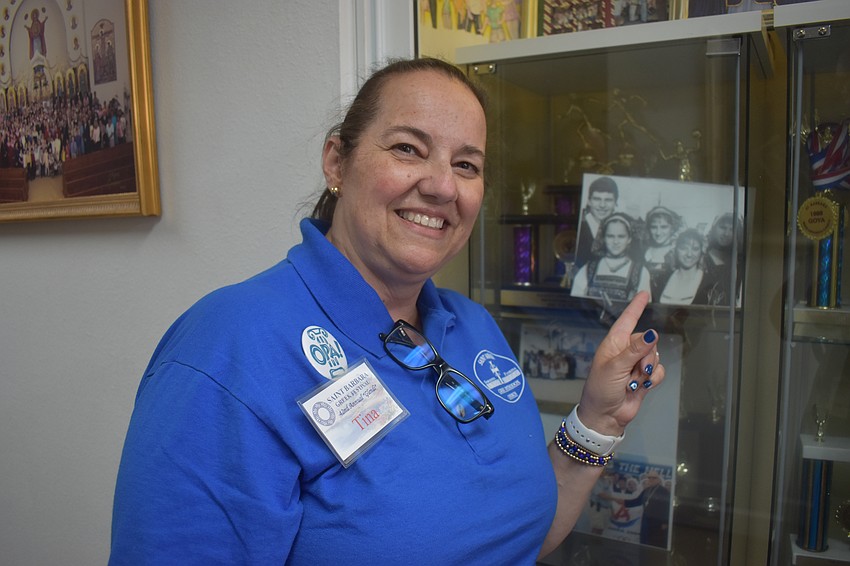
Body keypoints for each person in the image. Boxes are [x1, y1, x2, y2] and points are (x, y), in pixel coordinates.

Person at [109, 58, 664, 564]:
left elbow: (519, 538)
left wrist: (597, 420)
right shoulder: (226, 350)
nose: (443, 186)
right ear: (337, 161)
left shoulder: (472, 328)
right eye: (408, 149)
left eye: (467, 165)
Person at [571, 212, 651, 302]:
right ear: (604, 239)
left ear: (629, 239)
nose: (615, 242)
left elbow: (645, 308)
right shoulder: (588, 269)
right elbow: (576, 303)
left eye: (621, 236)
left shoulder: (641, 272)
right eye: (610, 236)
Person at [659, 228, 711, 305]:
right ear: (675, 249)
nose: (689, 254)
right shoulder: (661, 280)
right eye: (683, 248)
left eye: (695, 249)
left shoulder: (710, 284)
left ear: (702, 251)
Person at [575, 175, 619, 268]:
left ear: (615, 203)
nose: (602, 205)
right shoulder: (578, 228)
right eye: (597, 199)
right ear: (589, 201)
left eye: (608, 200)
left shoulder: (621, 229)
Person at [702, 212, 743, 306]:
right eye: (723, 227)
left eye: (732, 229)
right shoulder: (700, 258)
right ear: (713, 228)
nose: (726, 234)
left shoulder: (739, 263)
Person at [642, 205, 681, 302]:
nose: (658, 232)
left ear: (672, 228)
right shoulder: (645, 252)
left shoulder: (677, 252)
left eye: (664, 227)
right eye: (654, 227)